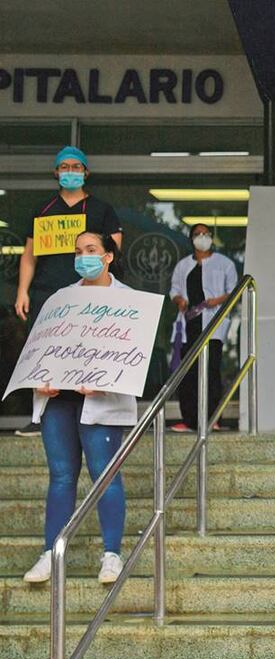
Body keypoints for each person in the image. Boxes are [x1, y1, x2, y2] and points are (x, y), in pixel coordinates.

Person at [22, 230, 135, 585]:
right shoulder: (61, 297)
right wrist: (40, 377)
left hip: (100, 401)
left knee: (105, 476)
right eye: (78, 251)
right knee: (61, 477)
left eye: (91, 250)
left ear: (108, 256)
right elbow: (43, 345)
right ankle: (50, 554)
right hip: (59, 400)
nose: (83, 256)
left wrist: (107, 378)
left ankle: (111, 555)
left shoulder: (129, 301)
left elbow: (135, 358)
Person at [14, 146, 123, 437]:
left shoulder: (102, 210)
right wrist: (23, 291)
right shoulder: (44, 209)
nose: (70, 172)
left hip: (87, 294)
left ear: (86, 172)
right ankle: (41, 416)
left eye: (76, 167)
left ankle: (87, 412)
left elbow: (115, 248)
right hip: (47, 291)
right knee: (44, 353)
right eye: (65, 167)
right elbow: (29, 254)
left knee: (84, 350)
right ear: (56, 172)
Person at [168, 223, 238, 432]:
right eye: (197, 234)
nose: (202, 237)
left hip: (212, 323)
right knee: (188, 373)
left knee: (211, 372)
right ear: (191, 239)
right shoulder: (183, 265)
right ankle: (189, 420)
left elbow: (233, 290)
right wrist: (179, 299)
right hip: (189, 324)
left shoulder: (224, 263)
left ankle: (212, 418)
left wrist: (217, 300)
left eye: (206, 234)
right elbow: (174, 290)